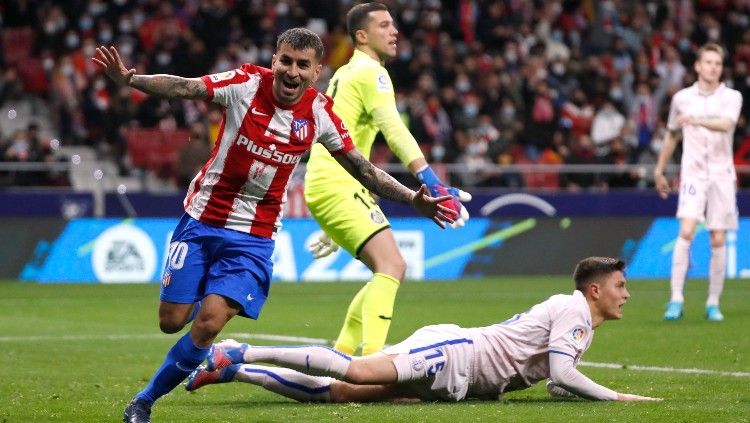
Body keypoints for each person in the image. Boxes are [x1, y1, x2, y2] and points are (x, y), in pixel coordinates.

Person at [93, 28, 458, 423]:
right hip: (202, 218)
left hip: (255, 236)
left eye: (303, 65)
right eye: (286, 61)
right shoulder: (245, 84)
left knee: (209, 324)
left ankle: (143, 403)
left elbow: (364, 170)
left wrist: (412, 197)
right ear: (274, 61)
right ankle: (206, 293)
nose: (293, 72)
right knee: (171, 323)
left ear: (316, 72)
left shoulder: (320, 113)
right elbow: (184, 88)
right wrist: (131, 80)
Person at [185, 257, 662, 403]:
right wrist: (623, 399)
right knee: (357, 369)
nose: (627, 294)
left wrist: (570, 390)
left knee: (341, 394)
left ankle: (234, 372)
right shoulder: (575, 309)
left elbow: (559, 382)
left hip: (464, 378)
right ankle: (242, 350)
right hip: (459, 354)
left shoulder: (578, 317)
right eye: (620, 285)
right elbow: (565, 374)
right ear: (594, 289)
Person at [304, 2, 471, 357]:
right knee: (392, 265)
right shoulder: (370, 72)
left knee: (387, 268)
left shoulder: (347, 74)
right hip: (337, 185)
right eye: (383, 25)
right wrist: (430, 177)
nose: (393, 31)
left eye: (393, 24)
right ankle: (372, 363)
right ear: (361, 36)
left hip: (338, 184)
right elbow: (393, 128)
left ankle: (346, 354)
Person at [654, 42, 743, 322]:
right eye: (708, 62)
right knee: (687, 230)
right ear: (697, 66)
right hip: (693, 174)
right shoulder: (681, 98)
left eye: (717, 63)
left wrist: (695, 120)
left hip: (721, 175)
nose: (713, 68)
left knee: (718, 236)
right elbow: (672, 134)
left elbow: (726, 125)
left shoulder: (732, 97)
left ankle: (713, 302)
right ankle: (676, 299)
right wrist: (659, 169)